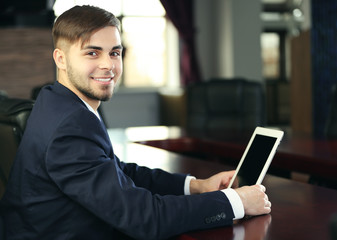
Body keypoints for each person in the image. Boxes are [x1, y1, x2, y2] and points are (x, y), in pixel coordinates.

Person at [0, 5, 271, 240]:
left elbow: (118, 171)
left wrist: (196, 186)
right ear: (60, 58)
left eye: (115, 53)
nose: (108, 65)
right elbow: (145, 220)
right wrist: (236, 202)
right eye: (92, 53)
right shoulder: (70, 126)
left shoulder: (55, 101)